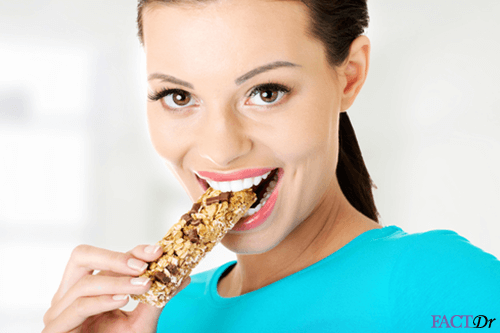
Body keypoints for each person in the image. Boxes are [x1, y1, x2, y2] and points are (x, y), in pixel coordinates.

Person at [42, 0, 500, 332]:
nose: (220, 150)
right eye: (178, 97)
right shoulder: (154, 318)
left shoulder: (441, 285)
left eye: (266, 92)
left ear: (350, 75)